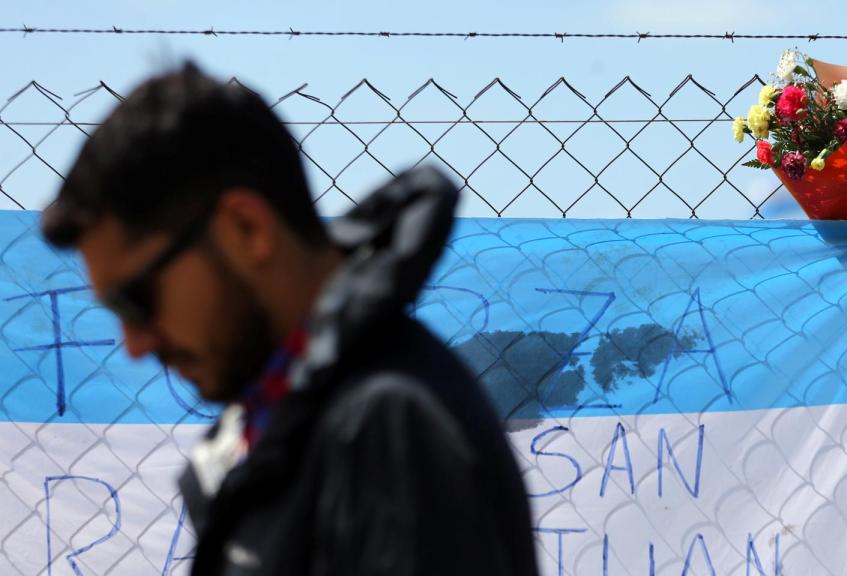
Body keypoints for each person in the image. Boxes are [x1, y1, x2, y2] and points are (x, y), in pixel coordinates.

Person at [41, 62, 539, 576]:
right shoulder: (282, 421)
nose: (135, 344)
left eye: (137, 300)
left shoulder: (386, 430)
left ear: (246, 229)